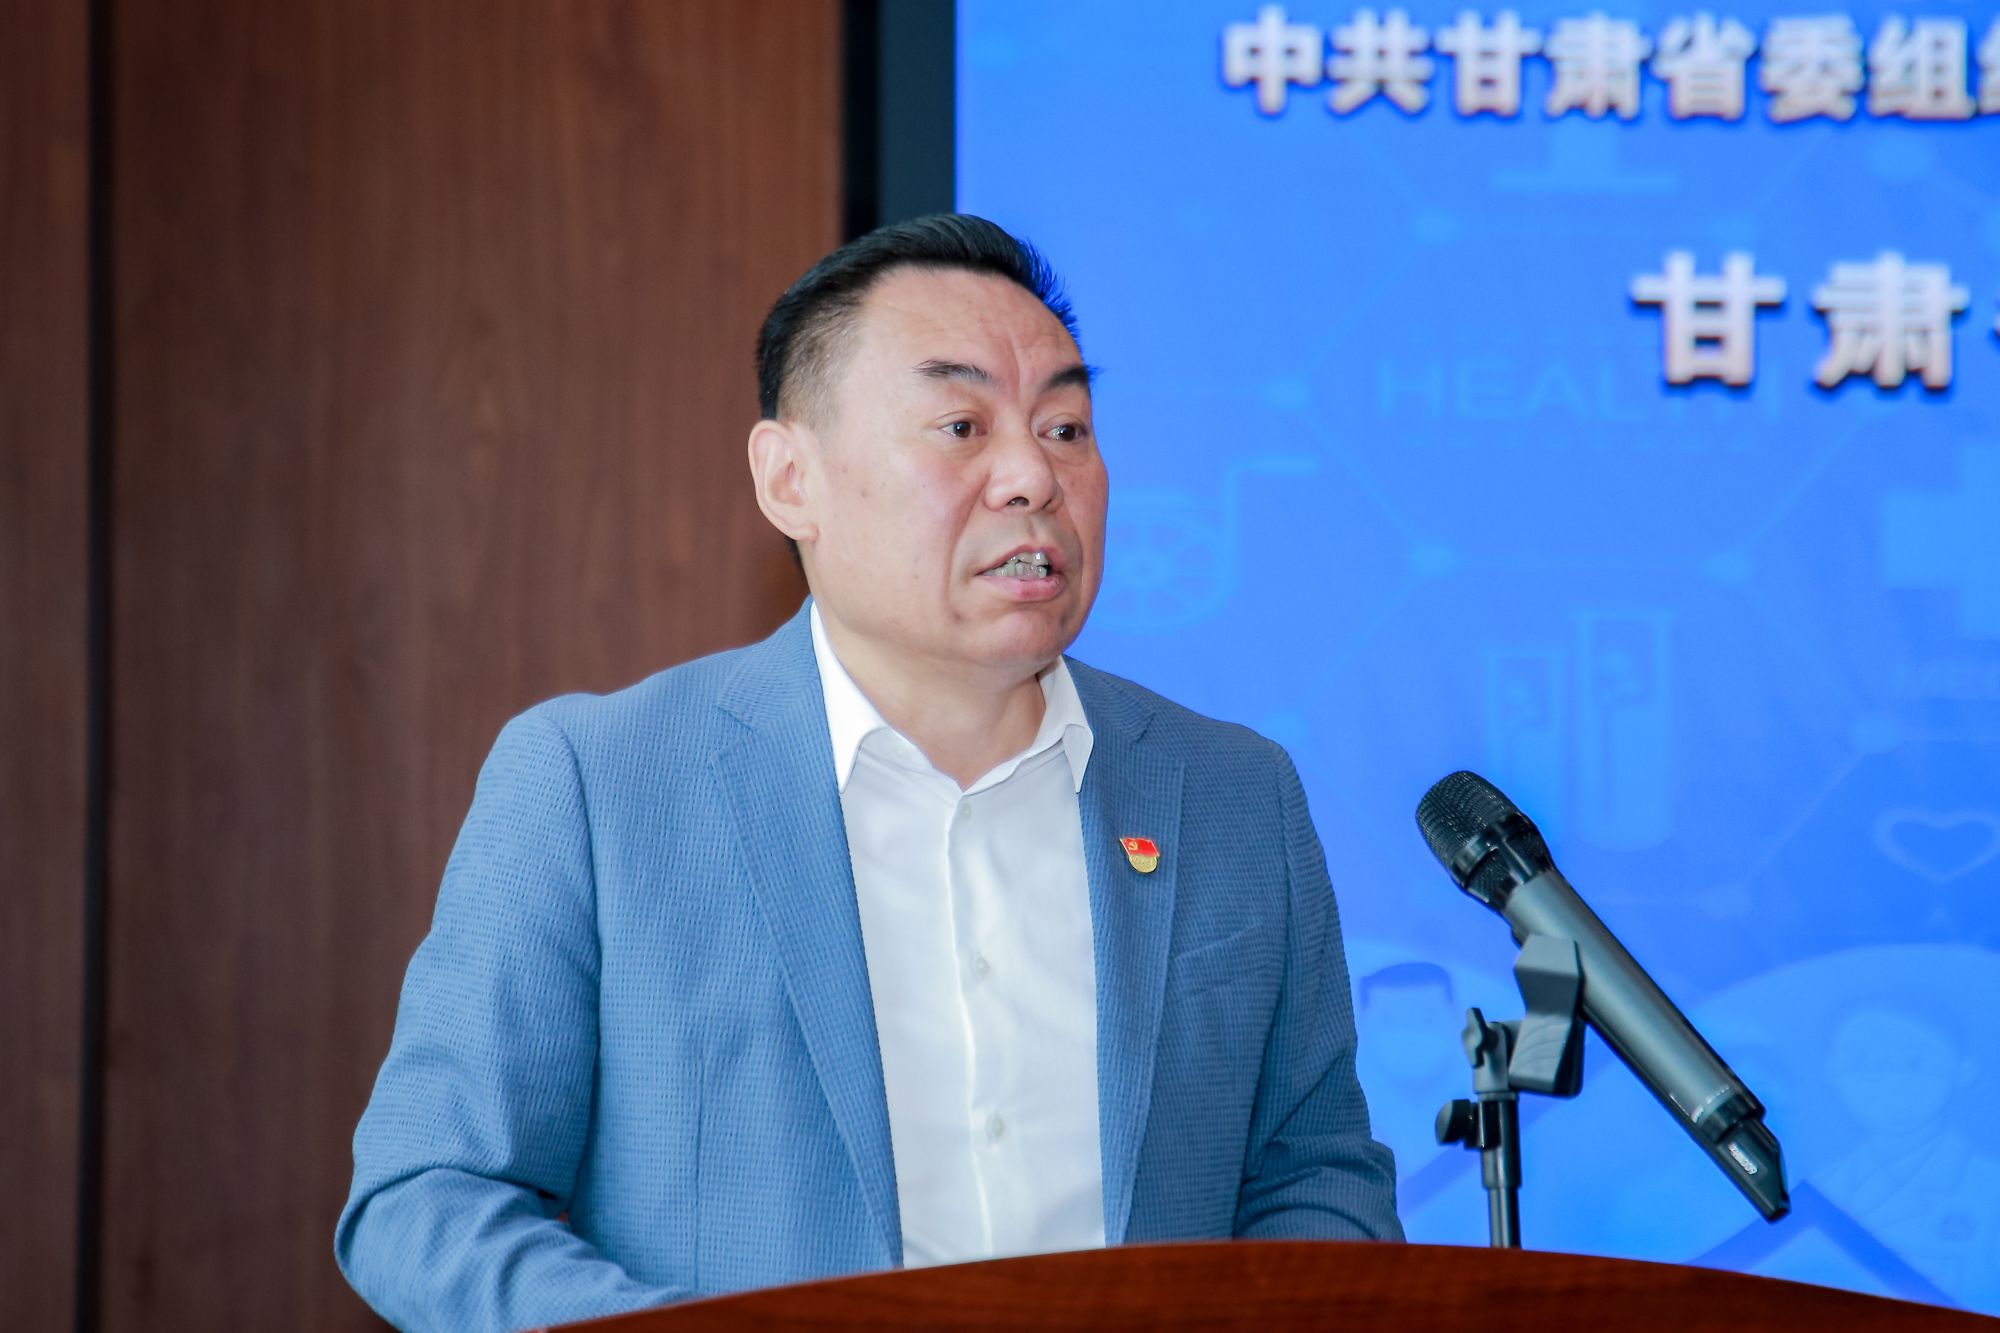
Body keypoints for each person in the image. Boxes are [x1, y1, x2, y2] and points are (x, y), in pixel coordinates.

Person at [335, 214, 1401, 1332]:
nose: (1032, 476)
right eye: (961, 425)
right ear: (789, 478)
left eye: (1066, 428)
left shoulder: (1231, 794)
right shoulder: (598, 787)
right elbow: (427, 1198)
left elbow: (1315, 1176)